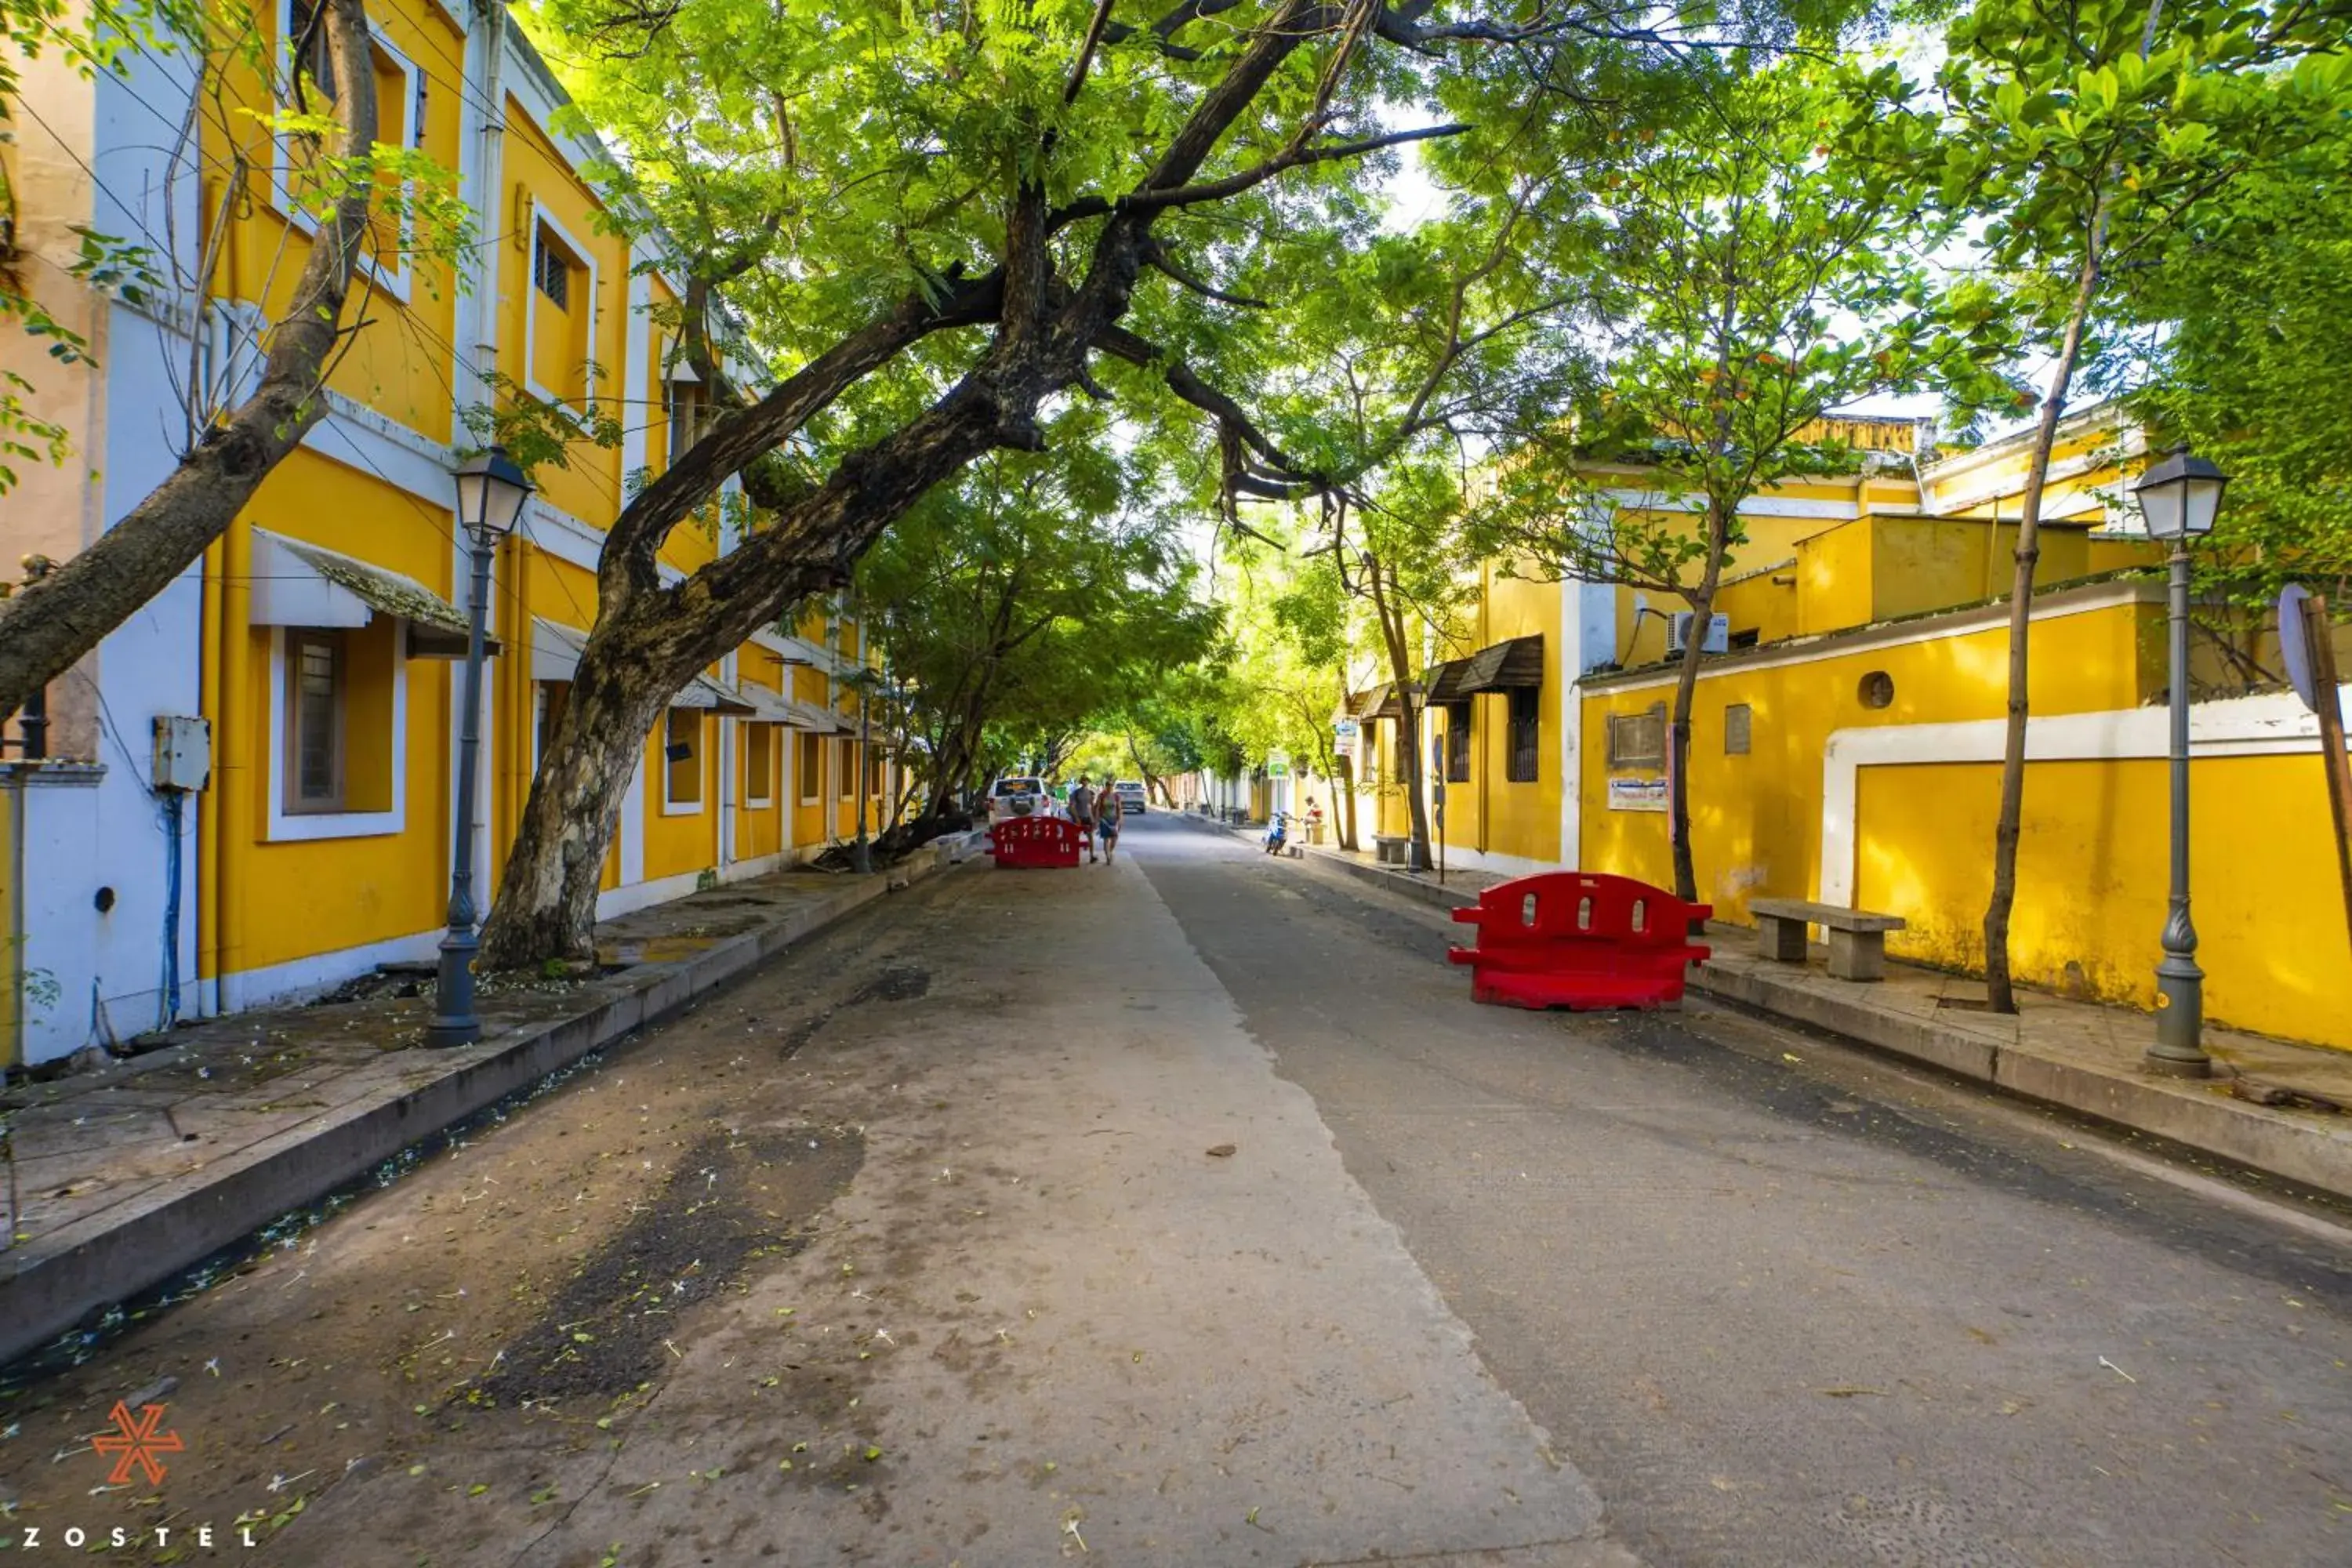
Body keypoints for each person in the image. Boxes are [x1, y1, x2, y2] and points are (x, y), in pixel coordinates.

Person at [1069, 775, 1098, 862]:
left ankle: (1092, 856)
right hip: (1079, 817)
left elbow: (1092, 806)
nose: (1085, 782)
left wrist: (1093, 818)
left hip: (1087, 817)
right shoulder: (1076, 793)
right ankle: (1073, 856)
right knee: (1075, 837)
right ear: (1081, 782)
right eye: (1083, 781)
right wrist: (1076, 817)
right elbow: (1072, 807)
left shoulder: (1090, 793)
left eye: (1086, 781)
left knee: (1090, 837)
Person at [1095, 773, 1123, 865]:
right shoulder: (1101, 796)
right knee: (1106, 839)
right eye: (1108, 786)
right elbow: (1097, 807)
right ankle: (1108, 857)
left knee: (1115, 838)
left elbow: (1119, 808)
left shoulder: (1116, 796)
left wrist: (1120, 820)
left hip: (1114, 819)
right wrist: (1096, 819)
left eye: (1111, 786)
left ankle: (1110, 851)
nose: (1109, 787)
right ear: (1105, 786)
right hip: (1104, 819)